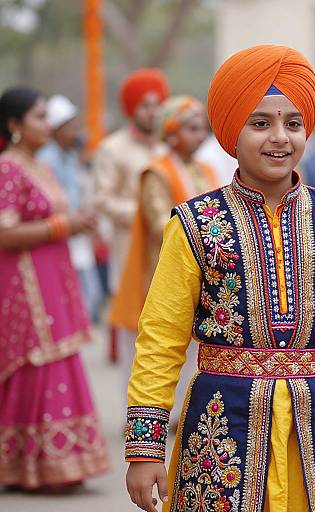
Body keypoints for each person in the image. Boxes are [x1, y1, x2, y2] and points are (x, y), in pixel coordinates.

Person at [124, 45, 315, 512]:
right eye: (260, 123)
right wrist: (144, 448)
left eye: (293, 123)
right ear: (231, 131)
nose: (279, 138)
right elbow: (161, 337)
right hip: (221, 426)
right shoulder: (194, 223)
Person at [0, 86, 110, 489]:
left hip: (53, 279)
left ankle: (59, 462)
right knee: (39, 360)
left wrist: (76, 220)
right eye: (39, 117)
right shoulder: (9, 167)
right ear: (14, 125)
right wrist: (64, 226)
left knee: (58, 357)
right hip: (26, 285)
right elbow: (3, 231)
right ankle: (35, 467)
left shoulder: (39, 165)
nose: (48, 124)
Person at [109, 95, 217, 414]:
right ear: (171, 132)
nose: (201, 135)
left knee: (199, 338)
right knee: (164, 337)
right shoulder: (154, 172)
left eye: (202, 128)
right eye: (192, 128)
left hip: (204, 265)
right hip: (163, 268)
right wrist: (209, 235)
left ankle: (188, 408)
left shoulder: (206, 169)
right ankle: (153, 410)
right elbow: (161, 223)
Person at [93, 68, 169, 294]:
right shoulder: (112, 148)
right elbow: (101, 199)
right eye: (145, 106)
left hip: (165, 245)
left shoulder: (167, 148)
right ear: (131, 108)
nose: (152, 112)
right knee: (132, 316)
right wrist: (141, 214)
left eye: (157, 105)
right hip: (128, 245)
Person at [38, 95, 103, 322]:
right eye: (68, 127)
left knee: (88, 295)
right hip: (61, 232)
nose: (74, 132)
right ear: (55, 130)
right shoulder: (46, 159)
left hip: (76, 231)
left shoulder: (70, 156)